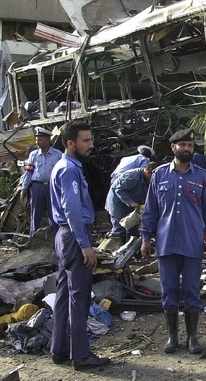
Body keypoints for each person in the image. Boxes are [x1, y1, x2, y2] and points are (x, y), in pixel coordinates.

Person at [140, 128, 206, 354]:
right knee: (169, 290)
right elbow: (151, 211)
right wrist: (146, 238)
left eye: (190, 146)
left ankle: (193, 338)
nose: (187, 149)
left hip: (193, 243)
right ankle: (172, 337)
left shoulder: (202, 177)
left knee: (192, 290)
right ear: (173, 147)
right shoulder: (160, 175)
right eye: (183, 145)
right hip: (166, 243)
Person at [49, 120, 110, 370]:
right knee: (79, 297)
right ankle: (81, 355)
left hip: (64, 236)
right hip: (74, 236)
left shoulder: (63, 167)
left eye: (91, 139)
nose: (91, 145)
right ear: (70, 143)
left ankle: (59, 348)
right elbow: (72, 209)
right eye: (86, 140)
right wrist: (85, 245)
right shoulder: (70, 170)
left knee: (64, 295)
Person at [20, 127, 63, 236]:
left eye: (40, 140)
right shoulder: (33, 155)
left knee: (54, 213)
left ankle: (55, 238)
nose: (37, 142)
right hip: (37, 187)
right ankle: (33, 238)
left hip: (52, 187)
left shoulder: (58, 155)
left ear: (48, 140)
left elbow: (61, 173)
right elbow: (29, 172)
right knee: (35, 213)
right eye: (36, 140)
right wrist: (24, 188)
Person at [105, 162, 158, 243]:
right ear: (148, 172)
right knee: (119, 228)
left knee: (133, 228)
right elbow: (119, 190)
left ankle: (130, 250)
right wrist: (131, 202)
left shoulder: (146, 179)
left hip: (131, 205)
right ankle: (110, 249)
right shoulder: (132, 176)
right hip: (117, 204)